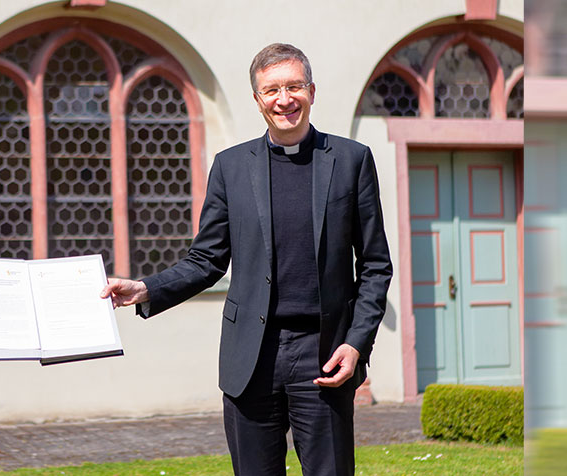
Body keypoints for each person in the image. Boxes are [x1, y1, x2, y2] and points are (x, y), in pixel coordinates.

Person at [102, 43, 392, 476]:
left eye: (294, 86)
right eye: (271, 90)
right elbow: (206, 259)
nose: (284, 99)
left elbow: (374, 265)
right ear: (257, 100)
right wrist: (147, 288)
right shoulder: (231, 167)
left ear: (312, 91)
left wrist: (356, 343)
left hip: (324, 352)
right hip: (251, 357)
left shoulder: (351, 160)